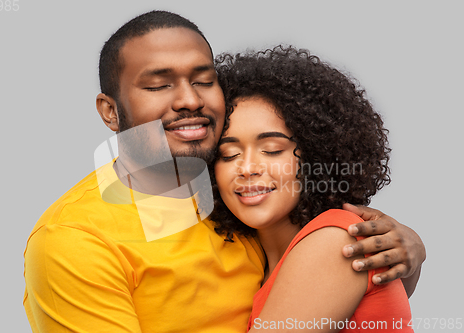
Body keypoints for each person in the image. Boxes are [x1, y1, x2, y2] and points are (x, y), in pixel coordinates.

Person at [23, 11, 425, 333]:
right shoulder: (75, 240)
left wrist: (409, 254)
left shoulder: (245, 215)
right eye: (159, 85)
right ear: (111, 111)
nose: (188, 100)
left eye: (203, 80)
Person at [213, 45, 415, 332]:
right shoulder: (255, 264)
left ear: (316, 156)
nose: (246, 168)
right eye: (228, 155)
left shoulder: (335, 242)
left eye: (272, 150)